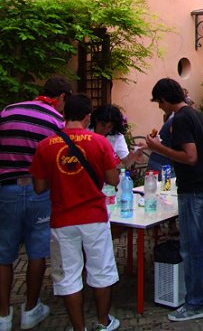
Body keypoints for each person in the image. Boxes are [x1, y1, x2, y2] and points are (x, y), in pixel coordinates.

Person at [30, 94, 121, 331]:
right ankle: (103, 323)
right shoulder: (100, 142)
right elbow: (113, 179)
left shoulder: (44, 146)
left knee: (69, 276)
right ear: (87, 116)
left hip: (62, 219)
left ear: (63, 114)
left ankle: (78, 329)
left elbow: (39, 187)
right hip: (94, 217)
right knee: (101, 271)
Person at [0, 76, 72, 331]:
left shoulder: (8, 111)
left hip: (6, 189)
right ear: (61, 98)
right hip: (38, 190)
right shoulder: (56, 121)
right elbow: (60, 161)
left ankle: (3, 316)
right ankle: (31, 309)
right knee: (37, 251)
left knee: (4, 254)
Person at [145, 78, 203, 322]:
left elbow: (190, 157)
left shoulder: (181, 118)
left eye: (159, 102)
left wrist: (158, 148)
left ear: (165, 99)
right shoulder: (195, 114)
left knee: (191, 247)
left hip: (195, 189)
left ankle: (196, 302)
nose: (159, 107)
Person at [89, 104, 140, 169]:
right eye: (103, 125)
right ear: (96, 120)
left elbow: (126, 162)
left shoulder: (117, 136)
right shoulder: (86, 131)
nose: (105, 129)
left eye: (110, 126)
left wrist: (132, 158)